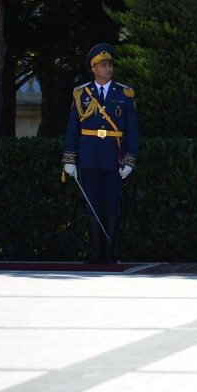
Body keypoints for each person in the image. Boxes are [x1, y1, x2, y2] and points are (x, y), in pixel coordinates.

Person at [62, 43, 138, 264]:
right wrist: (69, 159)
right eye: (103, 65)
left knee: (112, 204)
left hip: (114, 157)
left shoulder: (124, 93)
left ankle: (109, 253)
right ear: (93, 69)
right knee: (92, 204)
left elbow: (132, 131)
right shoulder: (81, 93)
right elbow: (72, 128)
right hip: (89, 156)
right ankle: (96, 253)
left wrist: (130, 160)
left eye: (110, 65)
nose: (108, 68)